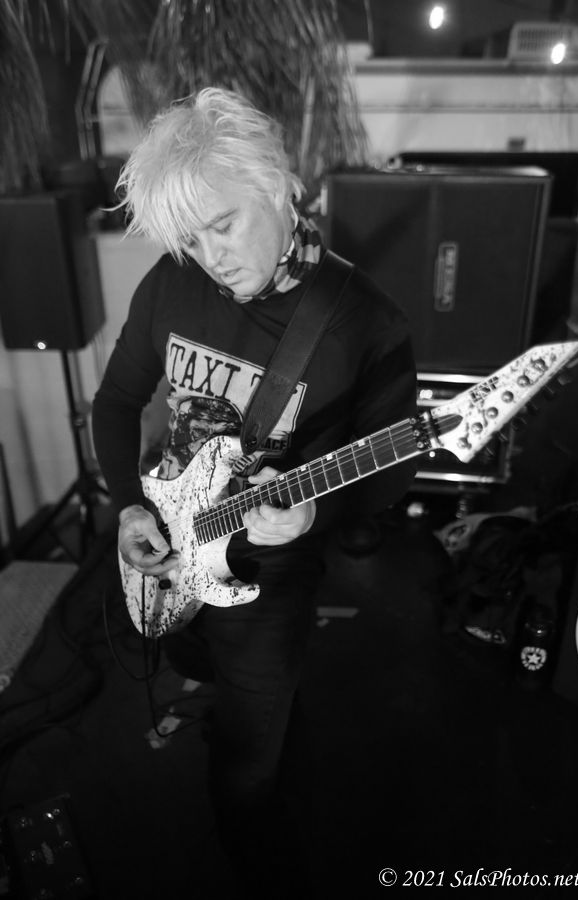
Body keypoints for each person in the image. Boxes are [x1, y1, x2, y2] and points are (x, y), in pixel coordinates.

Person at [92, 86, 417, 898]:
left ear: (278, 186)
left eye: (224, 225)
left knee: (243, 775)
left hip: (269, 574)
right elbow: (117, 401)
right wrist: (128, 503)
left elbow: (393, 476)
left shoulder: (365, 323)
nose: (212, 257)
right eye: (191, 238)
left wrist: (311, 513)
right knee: (199, 665)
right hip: (172, 537)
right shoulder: (171, 284)